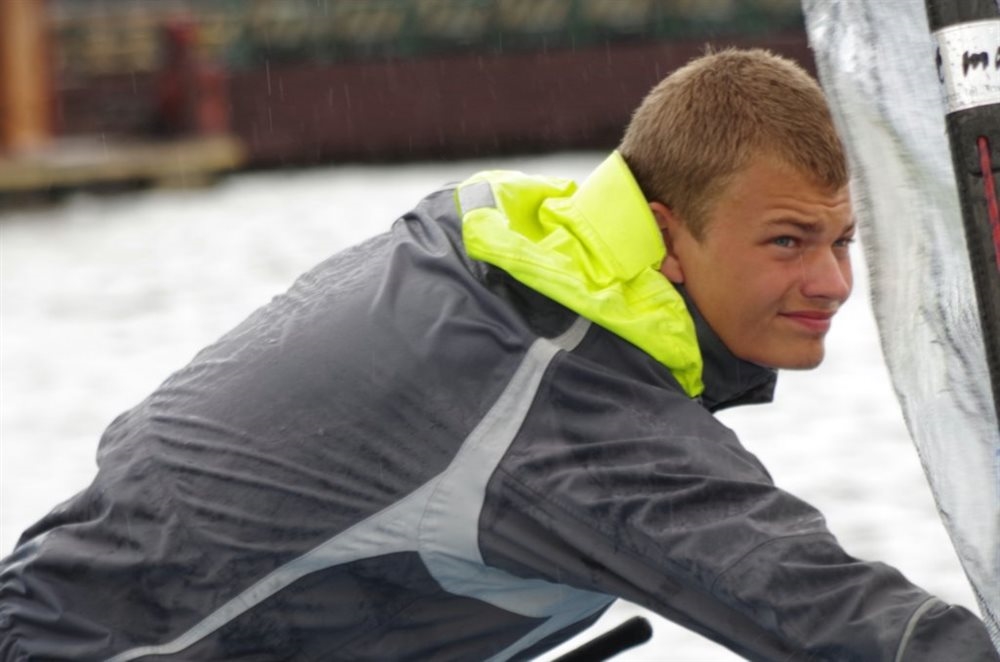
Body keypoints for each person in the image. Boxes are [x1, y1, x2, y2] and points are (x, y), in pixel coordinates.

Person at [1, 48, 997, 662]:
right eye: (787, 241)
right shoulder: (559, 396)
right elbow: (826, 612)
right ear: (665, 235)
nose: (832, 282)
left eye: (843, 240)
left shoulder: (479, 243)